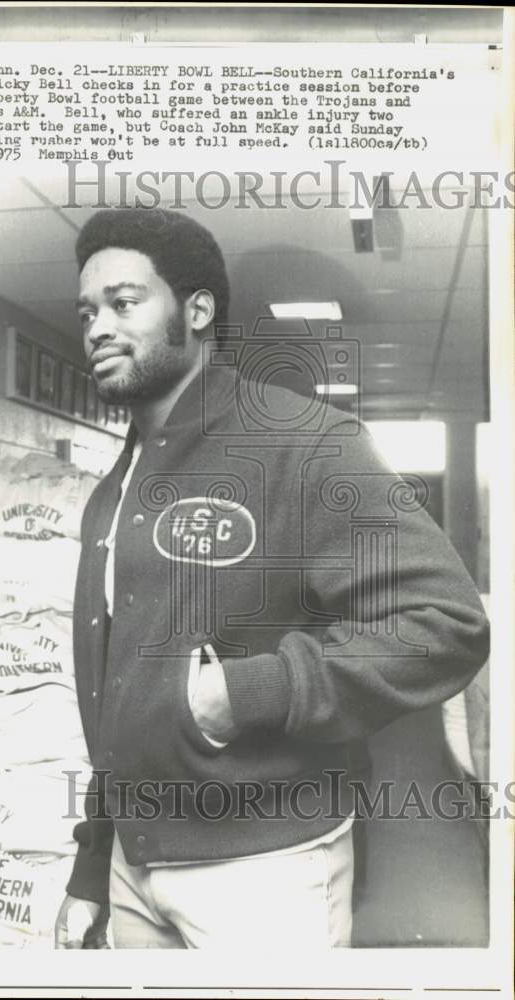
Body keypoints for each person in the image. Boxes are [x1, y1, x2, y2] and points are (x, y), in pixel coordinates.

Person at [54, 207, 490, 950]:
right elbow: (116, 692)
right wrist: (94, 864)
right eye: (89, 309)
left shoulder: (305, 443)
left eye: (125, 303)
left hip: (264, 868)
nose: (98, 325)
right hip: (135, 869)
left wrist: (252, 693)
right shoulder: (113, 488)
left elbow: (445, 623)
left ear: (197, 311)